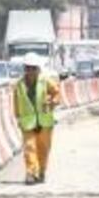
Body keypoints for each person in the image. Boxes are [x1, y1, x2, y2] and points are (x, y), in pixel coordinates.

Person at [13, 53, 61, 185]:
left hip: (45, 122)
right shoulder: (19, 85)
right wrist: (18, 117)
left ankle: (41, 172)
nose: (30, 71)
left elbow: (57, 93)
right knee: (30, 147)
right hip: (28, 123)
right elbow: (16, 102)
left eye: (33, 68)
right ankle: (31, 173)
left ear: (38, 69)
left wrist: (53, 101)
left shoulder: (45, 81)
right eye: (28, 68)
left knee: (43, 149)